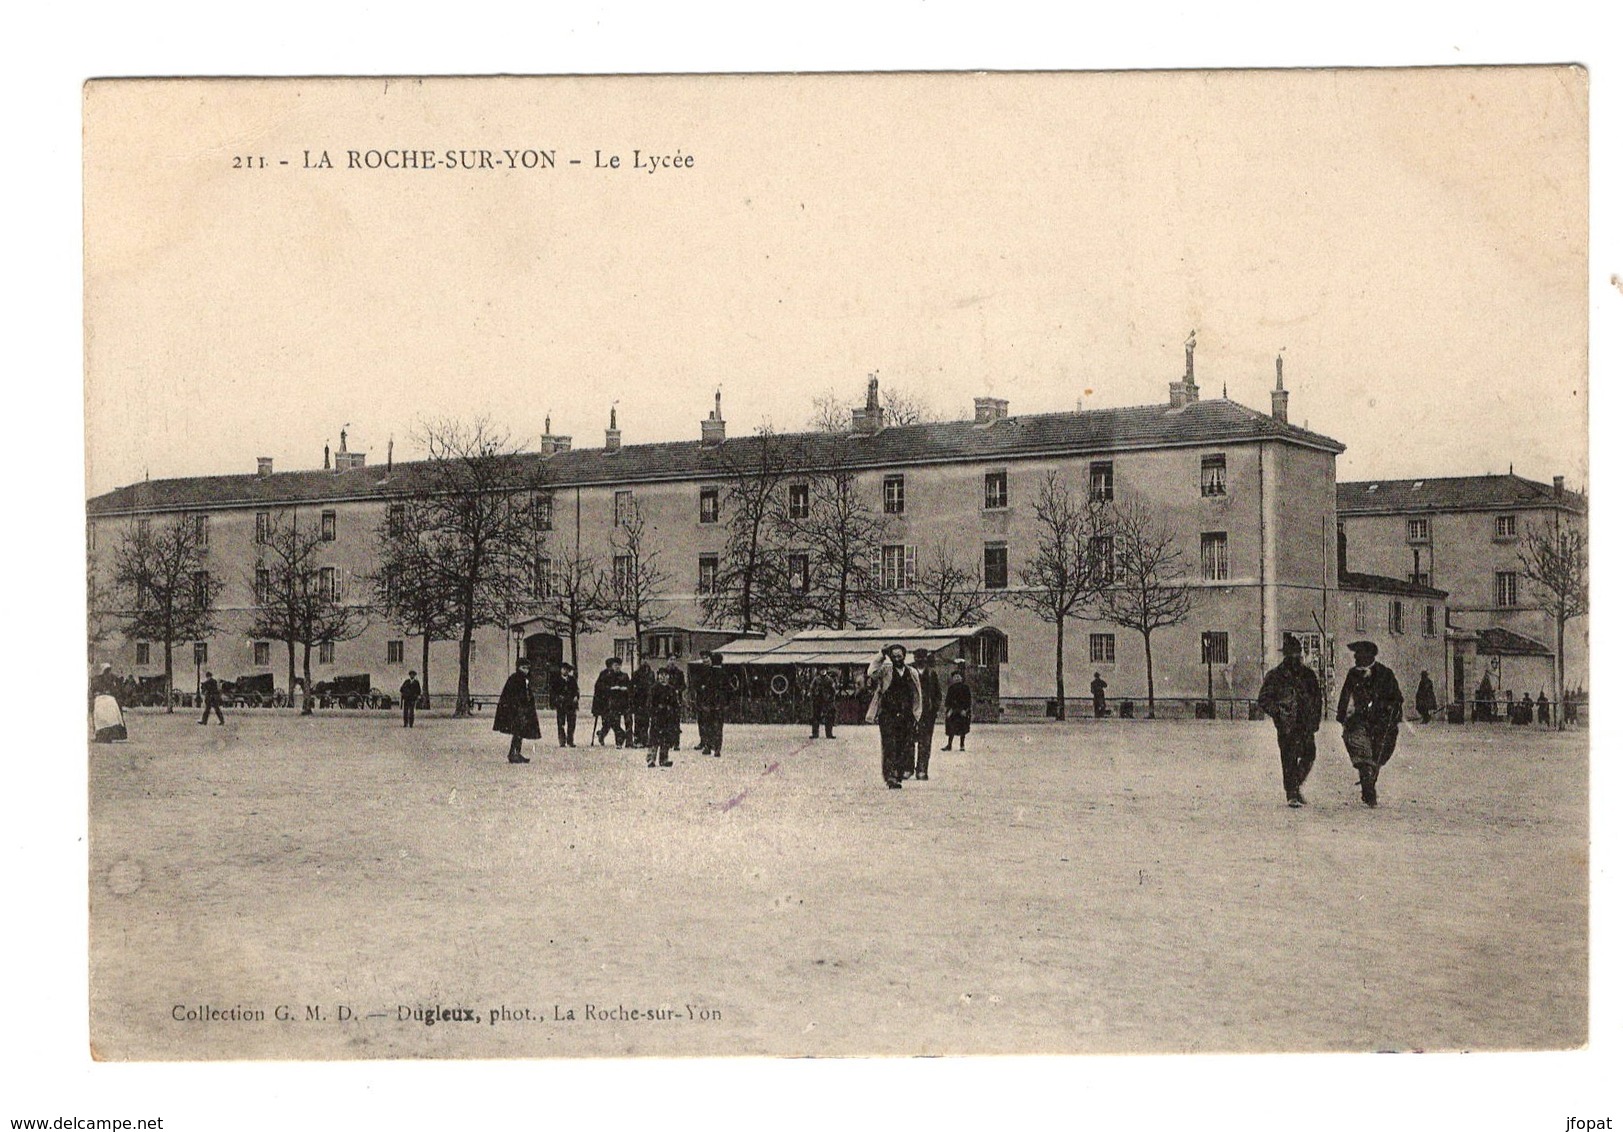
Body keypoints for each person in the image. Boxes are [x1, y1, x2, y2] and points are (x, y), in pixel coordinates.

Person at [1335, 640, 1404, 807]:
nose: (1356, 657)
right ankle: (1369, 792)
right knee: (1363, 758)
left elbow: (1397, 698)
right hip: (1358, 722)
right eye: (1355, 654)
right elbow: (1345, 695)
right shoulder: (1353, 674)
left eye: (1359, 654)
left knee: (1376, 758)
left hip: (1381, 724)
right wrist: (1342, 714)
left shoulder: (1386, 674)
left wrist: (1392, 711)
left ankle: (1368, 787)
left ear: (1369, 656)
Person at [1257, 634, 1323, 807]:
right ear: (1285, 655)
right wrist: (1277, 713)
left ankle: (1295, 785)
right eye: (1291, 654)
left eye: (1297, 653)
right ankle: (1291, 794)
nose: (1295, 657)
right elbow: (1263, 699)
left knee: (1309, 754)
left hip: (1305, 723)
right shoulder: (1276, 675)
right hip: (1286, 724)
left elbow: (1317, 698)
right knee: (1289, 758)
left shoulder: (1308, 675)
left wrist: (1315, 719)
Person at [867, 644, 922, 789]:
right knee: (889, 745)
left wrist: (916, 714)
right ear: (890, 657)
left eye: (900, 656)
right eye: (894, 656)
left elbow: (917, 694)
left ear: (904, 656)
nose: (897, 659)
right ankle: (890, 777)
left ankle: (898, 774)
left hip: (906, 715)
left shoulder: (912, 672)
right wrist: (881, 655)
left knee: (903, 745)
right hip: (888, 714)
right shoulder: (885, 671)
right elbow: (871, 672)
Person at [494, 657, 541, 763]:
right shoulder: (515, 679)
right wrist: (518, 708)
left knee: (519, 732)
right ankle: (514, 753)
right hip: (516, 710)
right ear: (518, 667)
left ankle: (515, 753)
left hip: (522, 710)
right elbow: (512, 695)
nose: (526, 670)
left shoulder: (525, 679)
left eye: (527, 668)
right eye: (523, 667)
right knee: (518, 731)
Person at [912, 650, 943, 781]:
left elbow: (937, 694)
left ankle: (922, 769)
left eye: (922, 657)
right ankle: (908, 768)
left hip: (927, 713)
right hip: (911, 712)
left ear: (926, 658)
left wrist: (934, 709)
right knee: (909, 741)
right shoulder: (910, 672)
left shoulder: (931, 674)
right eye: (917, 657)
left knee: (925, 742)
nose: (920, 660)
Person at [693, 652, 728, 757]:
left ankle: (708, 746)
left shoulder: (708, 672)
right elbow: (728, 689)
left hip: (708, 703)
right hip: (719, 704)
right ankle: (717, 748)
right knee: (718, 727)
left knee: (708, 725)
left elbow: (702, 687)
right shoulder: (724, 673)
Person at [647, 667, 681, 768]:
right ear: (658, 676)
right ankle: (651, 759)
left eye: (665, 675)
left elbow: (675, 704)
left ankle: (664, 759)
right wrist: (655, 710)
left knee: (666, 739)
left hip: (668, 717)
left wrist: (673, 712)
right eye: (661, 675)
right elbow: (649, 703)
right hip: (657, 717)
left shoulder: (671, 689)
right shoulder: (654, 688)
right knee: (654, 739)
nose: (663, 678)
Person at [592, 657, 630, 747]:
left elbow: (630, 687)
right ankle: (616, 738)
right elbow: (599, 687)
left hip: (621, 702)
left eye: (619, 665)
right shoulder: (606, 675)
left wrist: (625, 689)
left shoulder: (624, 675)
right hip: (606, 703)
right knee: (609, 722)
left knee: (613, 722)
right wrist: (610, 688)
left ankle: (611, 738)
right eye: (615, 665)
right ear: (612, 666)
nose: (617, 667)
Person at [90, 663, 128, 743]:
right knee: (107, 718)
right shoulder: (106, 678)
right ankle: (104, 736)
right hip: (107, 699)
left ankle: (103, 736)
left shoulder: (106, 678)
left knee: (104, 718)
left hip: (105, 700)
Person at [550, 662, 580, 747]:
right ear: (561, 670)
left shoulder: (572, 679)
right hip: (561, 704)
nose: (565, 671)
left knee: (571, 723)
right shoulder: (556, 680)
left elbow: (576, 690)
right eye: (564, 669)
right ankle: (562, 741)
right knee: (561, 723)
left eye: (567, 670)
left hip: (571, 704)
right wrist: (557, 699)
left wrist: (576, 697)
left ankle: (570, 741)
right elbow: (553, 692)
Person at [942, 669, 972, 751]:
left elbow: (968, 700)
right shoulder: (951, 688)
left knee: (963, 729)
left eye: (958, 676)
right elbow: (948, 700)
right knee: (951, 728)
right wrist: (949, 710)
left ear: (961, 678)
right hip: (953, 711)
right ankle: (949, 745)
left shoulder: (965, 688)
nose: (957, 678)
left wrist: (965, 710)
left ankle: (962, 745)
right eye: (955, 677)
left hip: (962, 711)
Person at [630, 660, 656, 747]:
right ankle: (637, 739)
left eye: (648, 659)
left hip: (648, 699)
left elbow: (653, 685)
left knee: (646, 720)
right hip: (639, 700)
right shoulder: (636, 673)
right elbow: (632, 687)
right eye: (644, 659)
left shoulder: (651, 673)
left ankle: (645, 739)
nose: (646, 661)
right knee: (638, 720)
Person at [809, 668, 839, 739]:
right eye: (821, 670)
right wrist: (813, 697)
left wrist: (831, 699)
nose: (822, 671)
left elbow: (833, 690)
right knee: (816, 717)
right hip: (817, 700)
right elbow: (812, 689)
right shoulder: (816, 679)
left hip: (827, 701)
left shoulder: (830, 680)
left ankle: (829, 734)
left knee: (829, 717)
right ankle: (815, 734)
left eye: (824, 670)